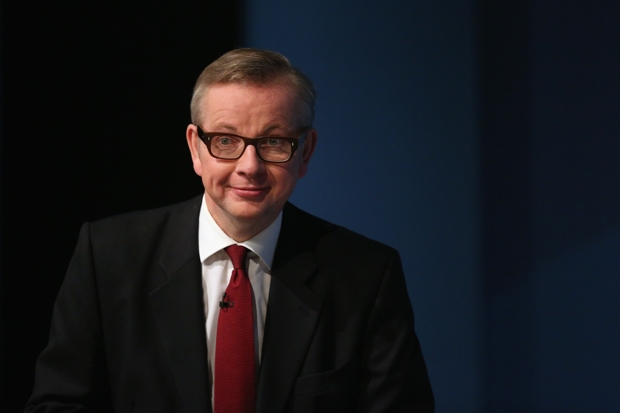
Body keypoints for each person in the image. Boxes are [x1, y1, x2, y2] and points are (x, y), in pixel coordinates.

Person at [26, 48, 434, 412]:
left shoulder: (366, 275)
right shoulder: (109, 255)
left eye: (274, 142)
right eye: (225, 141)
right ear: (195, 148)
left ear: (306, 151)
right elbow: (59, 403)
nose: (249, 166)